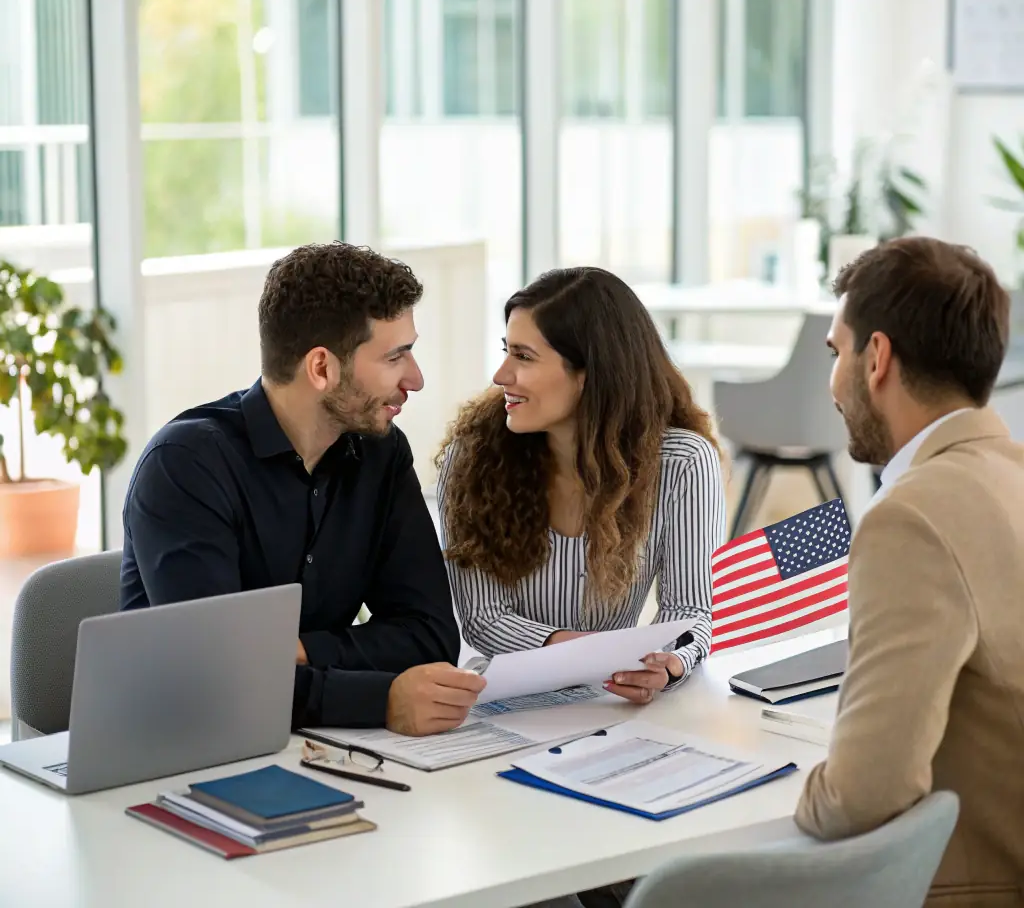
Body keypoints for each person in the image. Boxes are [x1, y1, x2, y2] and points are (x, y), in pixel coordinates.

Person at [120, 242, 484, 734]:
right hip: (182, 751)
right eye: (395, 356)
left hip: (319, 747)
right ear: (321, 368)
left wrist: (299, 650)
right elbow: (212, 677)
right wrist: (380, 700)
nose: (414, 380)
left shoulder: (381, 453)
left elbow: (431, 636)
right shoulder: (186, 465)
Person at [796, 237, 1024, 905]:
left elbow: (863, 794)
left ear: (878, 359)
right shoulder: (1010, 473)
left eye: (836, 353)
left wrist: (810, 782)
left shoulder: (912, 516)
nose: (831, 381)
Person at [437, 266, 726, 703]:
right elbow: (483, 619)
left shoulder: (683, 463)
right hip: (507, 700)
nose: (501, 375)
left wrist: (666, 666)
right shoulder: (473, 457)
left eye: (524, 356)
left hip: (613, 701)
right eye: (506, 351)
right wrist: (586, 653)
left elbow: (690, 612)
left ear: (590, 371)